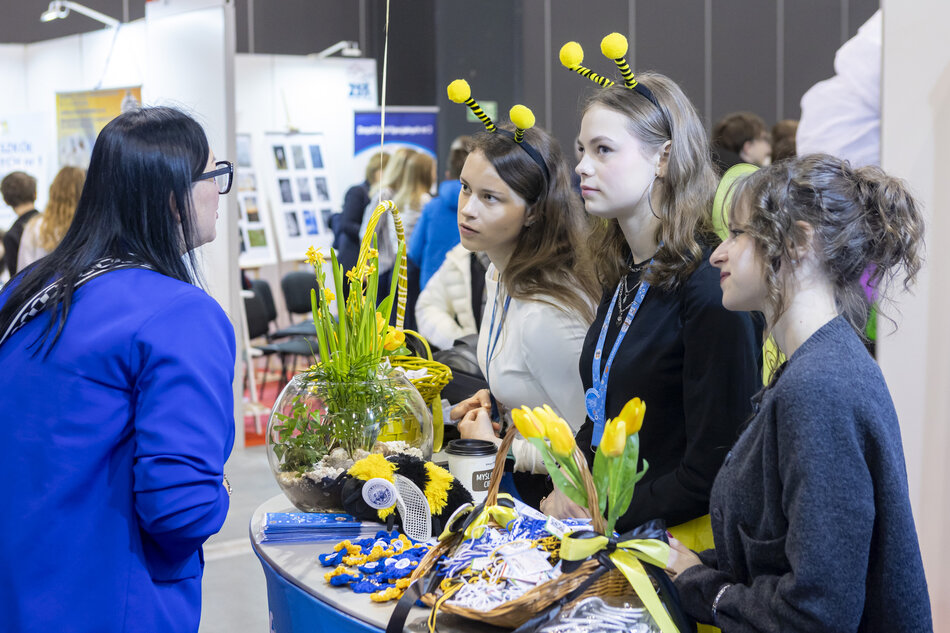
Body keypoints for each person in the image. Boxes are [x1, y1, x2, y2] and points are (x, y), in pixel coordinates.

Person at [668, 154, 932, 632]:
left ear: (798, 242)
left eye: (737, 233)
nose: (717, 253)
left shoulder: (818, 389)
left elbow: (815, 614)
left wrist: (702, 585)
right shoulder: (815, 368)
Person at [0, 107, 236, 633]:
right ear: (174, 198)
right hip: (108, 602)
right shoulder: (181, 314)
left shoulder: (29, 287)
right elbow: (180, 511)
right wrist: (221, 489)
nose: (220, 195)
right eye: (214, 176)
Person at [542, 74, 762, 548]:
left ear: (663, 157)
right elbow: (603, 411)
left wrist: (602, 512)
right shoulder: (626, 272)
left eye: (603, 150)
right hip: (616, 536)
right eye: (581, 150)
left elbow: (716, 466)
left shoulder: (711, 288)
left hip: (681, 555)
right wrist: (569, 486)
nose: (582, 166)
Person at [452, 117, 599, 484]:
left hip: (559, 505)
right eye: (466, 188)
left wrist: (500, 444)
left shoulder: (547, 313)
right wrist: (500, 402)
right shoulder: (499, 274)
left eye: (490, 198)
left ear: (533, 211)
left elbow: (593, 452)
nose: (468, 209)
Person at [409, 135, 473, 291]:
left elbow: (414, 252)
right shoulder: (482, 209)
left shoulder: (431, 208)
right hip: (468, 292)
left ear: (447, 173)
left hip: (432, 290)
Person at [415, 241, 488, 350]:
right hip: (473, 359)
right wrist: (463, 342)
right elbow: (427, 306)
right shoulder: (461, 256)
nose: (465, 222)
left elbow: (414, 253)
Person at [17, 166, 86, 269]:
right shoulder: (88, 226)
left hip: (43, 284)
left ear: (53, 190)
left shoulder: (36, 227)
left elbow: (23, 271)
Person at [333, 151, 389, 277]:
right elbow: (346, 224)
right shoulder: (358, 192)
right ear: (375, 170)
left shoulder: (384, 194)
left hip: (370, 259)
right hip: (354, 258)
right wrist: (372, 233)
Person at [1, 170, 39, 278]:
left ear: (6, 200)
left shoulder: (11, 236)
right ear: (35, 194)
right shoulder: (51, 223)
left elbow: (17, 282)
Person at [392, 151, 435, 241]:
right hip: (409, 253)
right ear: (426, 173)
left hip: (396, 252)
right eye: (434, 170)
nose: (435, 174)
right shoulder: (424, 199)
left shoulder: (398, 197)